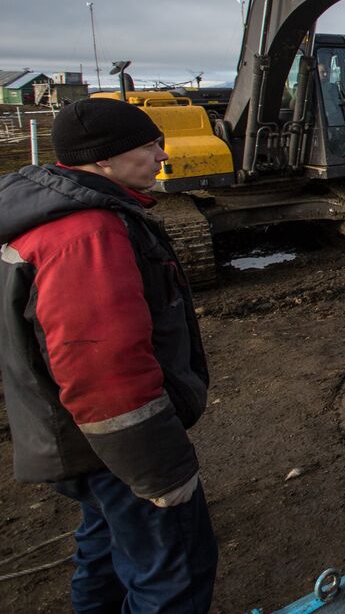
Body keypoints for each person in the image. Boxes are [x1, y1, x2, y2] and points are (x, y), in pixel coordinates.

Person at [0, 98, 216, 613]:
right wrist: (161, 473)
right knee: (174, 574)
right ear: (102, 160)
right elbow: (105, 374)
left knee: (105, 547)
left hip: (72, 439)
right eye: (148, 146)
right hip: (114, 448)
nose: (163, 155)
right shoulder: (87, 234)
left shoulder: (44, 214)